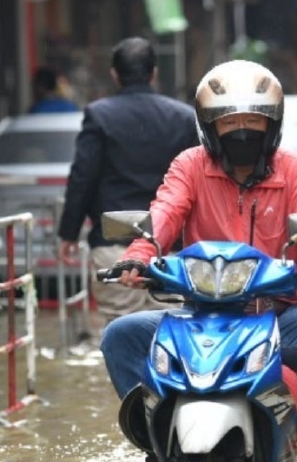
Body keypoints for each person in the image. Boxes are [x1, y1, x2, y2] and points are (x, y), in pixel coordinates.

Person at [100, 59, 297, 462]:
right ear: (209, 127)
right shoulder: (189, 166)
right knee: (121, 335)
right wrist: (139, 256)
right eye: (231, 122)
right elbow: (164, 214)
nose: (243, 131)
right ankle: (156, 445)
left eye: (254, 121)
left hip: (280, 315)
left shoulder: (294, 170)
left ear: (274, 125)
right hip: (198, 314)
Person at [57, 37, 199, 323]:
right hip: (169, 248)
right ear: (154, 72)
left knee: (120, 329)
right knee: (173, 331)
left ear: (114, 74)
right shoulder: (183, 117)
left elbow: (83, 176)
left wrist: (68, 233)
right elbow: (200, 182)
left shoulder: (100, 116)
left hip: (115, 245)